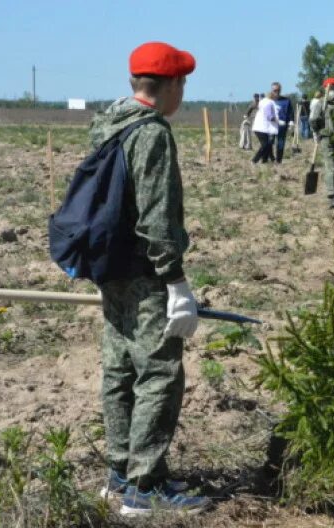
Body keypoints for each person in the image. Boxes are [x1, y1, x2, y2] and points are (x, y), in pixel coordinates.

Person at [91, 41, 209, 516]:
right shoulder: (152, 134)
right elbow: (157, 218)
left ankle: (120, 475)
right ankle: (146, 487)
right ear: (171, 84)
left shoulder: (108, 123)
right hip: (145, 274)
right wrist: (176, 282)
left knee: (118, 368)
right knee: (159, 372)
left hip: (110, 268)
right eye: (184, 85)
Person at [310, 77, 334, 208]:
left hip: (333, 138)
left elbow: (313, 120)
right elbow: (313, 119)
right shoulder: (324, 103)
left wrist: (316, 131)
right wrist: (317, 131)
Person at [251, 89, 279, 163]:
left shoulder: (264, 102)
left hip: (263, 127)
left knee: (268, 144)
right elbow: (269, 116)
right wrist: (278, 121)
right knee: (265, 145)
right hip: (260, 128)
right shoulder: (268, 103)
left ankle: (265, 160)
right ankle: (254, 160)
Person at [272, 82, 294, 163]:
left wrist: (291, 121)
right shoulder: (269, 101)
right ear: (272, 90)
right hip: (271, 125)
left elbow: (290, 112)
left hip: (282, 126)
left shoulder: (286, 100)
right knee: (269, 142)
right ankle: (270, 158)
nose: (276, 92)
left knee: (280, 143)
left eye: (278, 90)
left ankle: (279, 160)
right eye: (274, 90)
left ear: (280, 90)